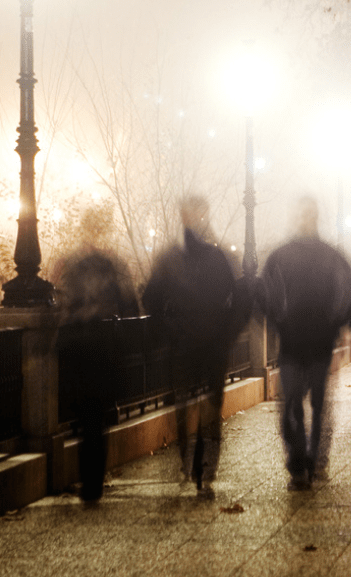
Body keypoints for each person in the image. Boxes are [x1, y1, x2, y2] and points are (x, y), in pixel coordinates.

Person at [141, 195, 250, 497]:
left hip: (185, 345)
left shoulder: (171, 258)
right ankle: (204, 468)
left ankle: (191, 464)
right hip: (209, 345)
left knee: (186, 406)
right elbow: (238, 298)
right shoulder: (216, 258)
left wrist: (167, 329)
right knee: (208, 408)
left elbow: (150, 298)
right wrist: (227, 333)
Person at [259, 195, 351, 489]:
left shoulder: (327, 255)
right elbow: (264, 292)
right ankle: (300, 460)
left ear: (314, 217)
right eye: (301, 213)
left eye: (309, 214)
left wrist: (340, 322)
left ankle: (312, 458)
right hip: (294, 342)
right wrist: (278, 319)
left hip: (317, 341)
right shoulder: (287, 256)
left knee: (317, 404)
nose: (305, 218)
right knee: (293, 403)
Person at [54, 247, 139, 502]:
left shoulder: (75, 283)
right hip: (102, 361)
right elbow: (132, 309)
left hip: (81, 364)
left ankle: (89, 483)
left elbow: (64, 316)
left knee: (86, 424)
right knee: (96, 425)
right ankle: (93, 483)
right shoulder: (111, 283)